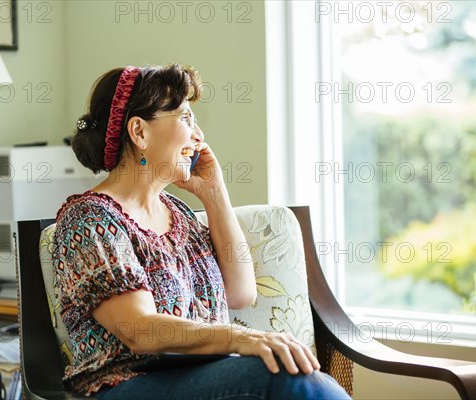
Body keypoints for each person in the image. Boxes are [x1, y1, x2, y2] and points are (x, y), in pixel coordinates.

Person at [52, 64, 351, 399]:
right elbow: (140, 330)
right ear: (139, 132)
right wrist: (241, 338)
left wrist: (214, 194)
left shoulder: (176, 212)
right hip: (127, 383)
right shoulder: (89, 219)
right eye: (185, 118)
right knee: (290, 380)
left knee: (296, 378)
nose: (199, 135)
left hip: (200, 376)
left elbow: (240, 293)